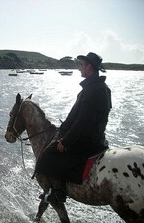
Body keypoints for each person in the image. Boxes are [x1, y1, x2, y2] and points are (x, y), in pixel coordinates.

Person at [35, 52, 112, 203]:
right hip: (95, 137)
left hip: (87, 140)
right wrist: (64, 130)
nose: (79, 68)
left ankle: (57, 192)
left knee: (48, 154)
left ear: (89, 67)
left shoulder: (93, 90)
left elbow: (83, 121)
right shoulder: (97, 87)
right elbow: (79, 117)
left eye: (81, 65)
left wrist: (66, 140)